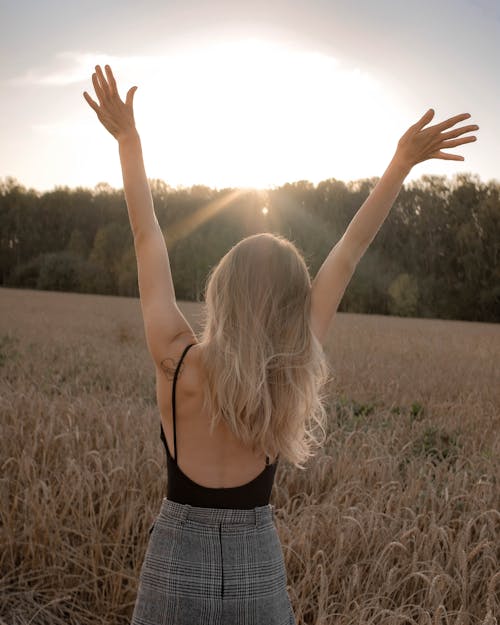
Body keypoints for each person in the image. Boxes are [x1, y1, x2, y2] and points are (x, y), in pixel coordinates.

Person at [83, 64, 478, 624]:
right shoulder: (290, 368)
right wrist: (400, 164)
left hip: (175, 561)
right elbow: (349, 249)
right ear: (293, 306)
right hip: (257, 569)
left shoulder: (176, 360)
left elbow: (146, 235)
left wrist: (128, 139)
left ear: (222, 290)